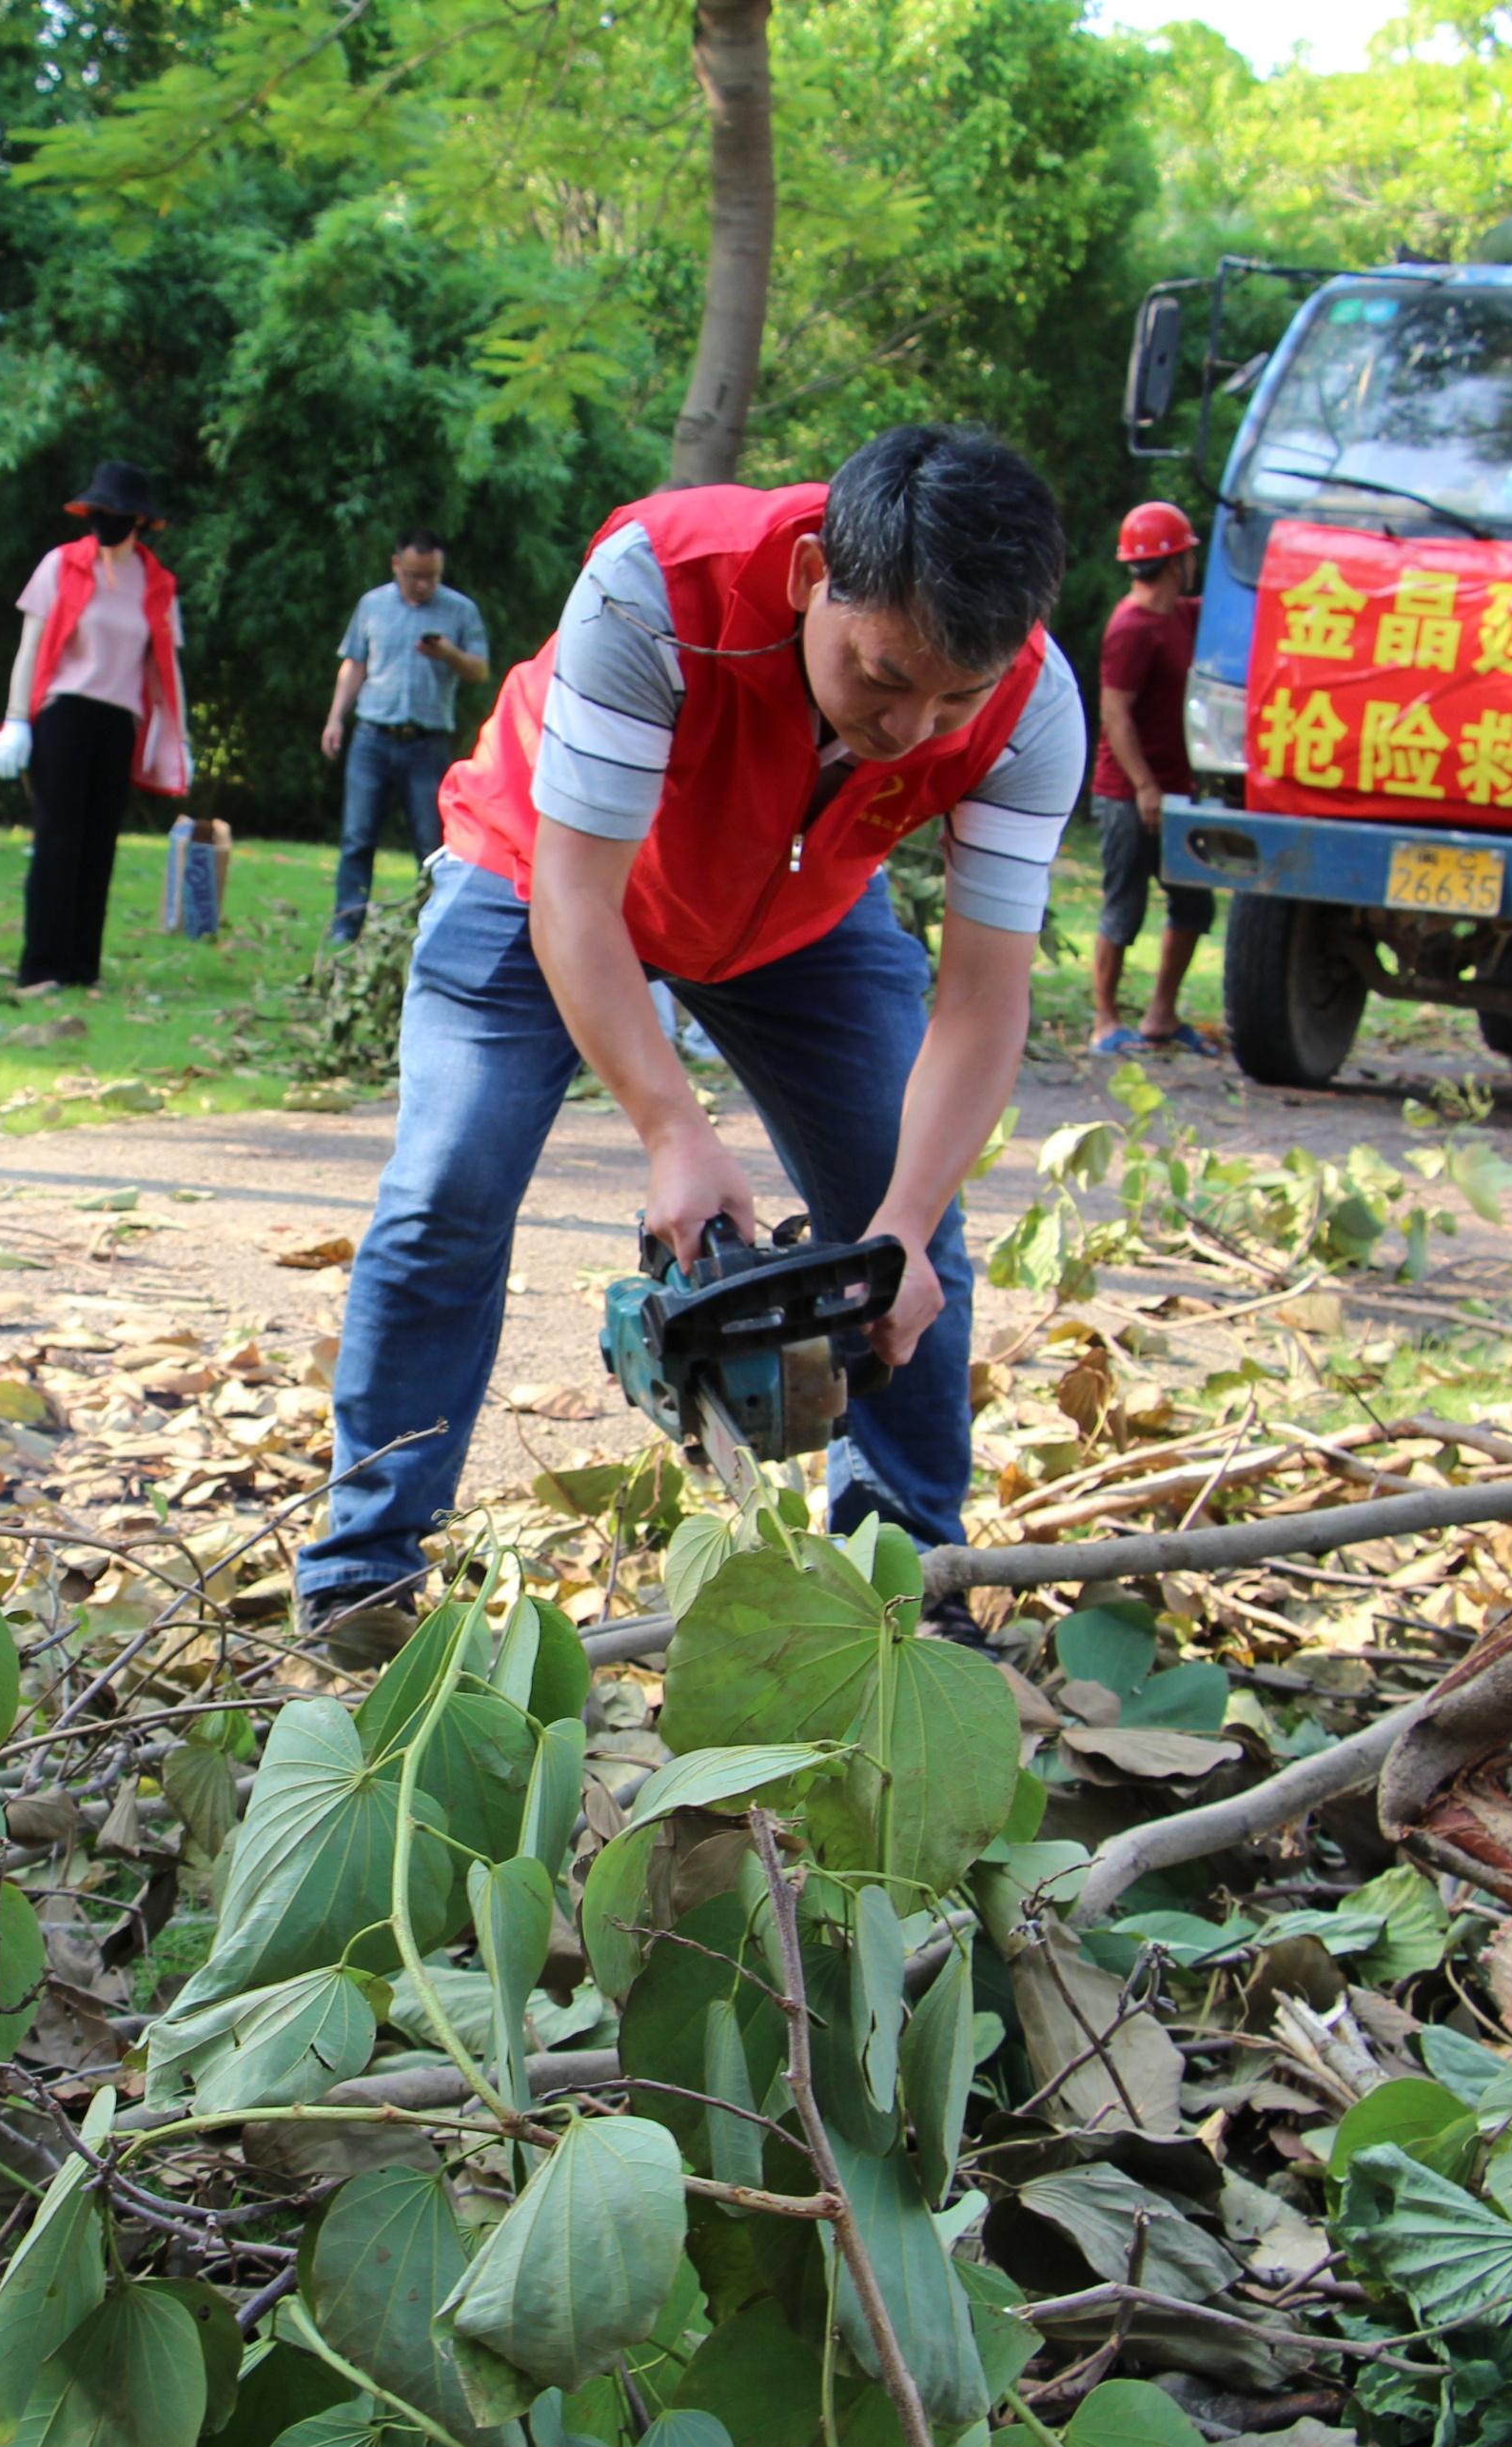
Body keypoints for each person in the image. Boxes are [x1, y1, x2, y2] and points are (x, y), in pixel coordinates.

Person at [294, 425, 1086, 1657]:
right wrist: (673, 1129)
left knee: (908, 1220)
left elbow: (984, 995)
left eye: (954, 697)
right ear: (815, 570)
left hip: (800, 916)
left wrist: (908, 1223)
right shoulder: (659, 583)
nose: (914, 726)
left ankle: (904, 1565)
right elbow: (575, 901)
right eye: (882, 677)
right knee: (448, 1184)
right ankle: (363, 1570)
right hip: (536, 876)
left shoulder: (1034, 706)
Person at [0, 459, 189, 990]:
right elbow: (30, 647)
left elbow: (166, 668)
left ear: (139, 520)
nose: (104, 521)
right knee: (58, 839)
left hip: (119, 723)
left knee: (99, 844)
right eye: (98, 511)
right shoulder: (62, 565)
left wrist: (178, 739)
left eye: (116, 513)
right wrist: (15, 720)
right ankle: (42, 966)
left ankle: (81, 968)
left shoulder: (157, 584)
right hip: (65, 714)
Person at [1087, 499, 1214, 1056]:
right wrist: (1144, 786)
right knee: (1125, 905)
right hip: (1128, 794)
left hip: (1180, 791)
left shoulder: (1181, 616)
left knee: (1192, 905)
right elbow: (1115, 712)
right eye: (1187, 555)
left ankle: (1161, 1015)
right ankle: (1105, 1021)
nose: (1193, 564)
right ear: (1173, 562)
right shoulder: (1130, 628)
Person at [321, 531, 490, 944]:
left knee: (431, 841)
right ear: (396, 564)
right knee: (357, 836)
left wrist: (449, 653)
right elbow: (354, 665)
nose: (422, 584)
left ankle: (430, 924)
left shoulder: (460, 610)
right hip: (372, 737)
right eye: (414, 575)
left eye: (431, 576)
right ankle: (347, 924)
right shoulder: (372, 605)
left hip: (427, 742)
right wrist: (334, 719)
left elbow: (480, 670)